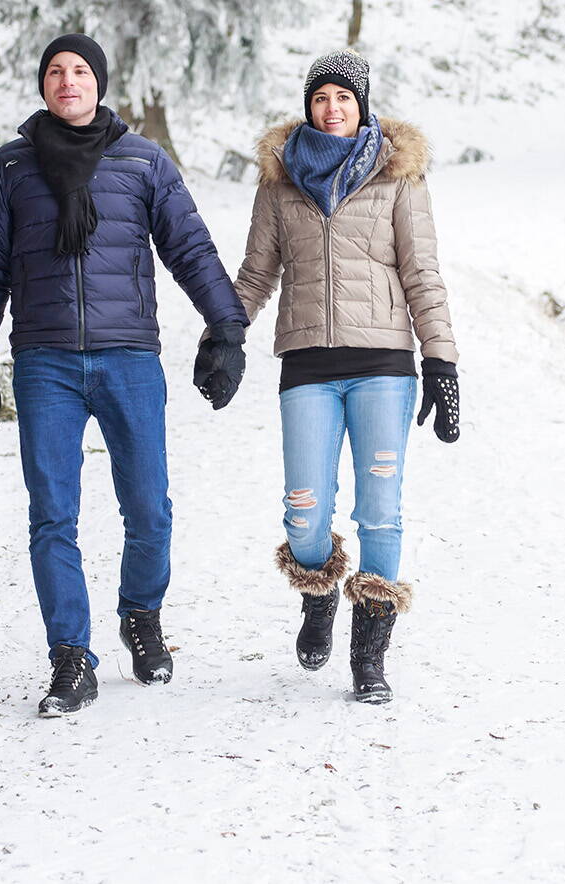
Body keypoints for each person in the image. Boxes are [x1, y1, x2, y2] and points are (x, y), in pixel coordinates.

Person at [0, 33, 249, 717]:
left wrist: (226, 328)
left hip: (128, 359)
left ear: (100, 82)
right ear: (42, 85)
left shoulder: (144, 162)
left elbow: (190, 246)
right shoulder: (10, 169)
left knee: (149, 509)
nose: (68, 81)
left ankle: (141, 617)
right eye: (55, 71)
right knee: (52, 515)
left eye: (80, 70)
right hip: (45, 361)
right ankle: (70, 657)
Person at [223, 49, 460, 704]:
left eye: (344, 99)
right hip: (307, 366)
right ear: (308, 106)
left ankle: (369, 654)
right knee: (306, 510)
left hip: (383, 364)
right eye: (321, 98)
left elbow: (423, 276)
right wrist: (225, 334)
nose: (332, 109)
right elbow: (254, 274)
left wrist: (441, 359)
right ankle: (319, 593)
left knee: (380, 511)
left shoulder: (398, 179)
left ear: (363, 106)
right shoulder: (279, 182)